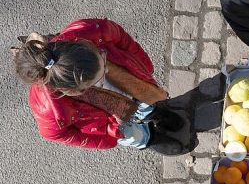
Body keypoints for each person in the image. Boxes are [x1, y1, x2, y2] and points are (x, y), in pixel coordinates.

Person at [12, 19, 193, 154]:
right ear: (78, 91)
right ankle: (149, 138)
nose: (106, 68)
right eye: (99, 78)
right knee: (131, 134)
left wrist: (144, 66)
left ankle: (155, 113)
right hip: (109, 122)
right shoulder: (49, 112)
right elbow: (58, 134)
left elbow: (119, 37)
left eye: (103, 60)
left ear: (85, 45)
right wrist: (108, 137)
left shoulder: (88, 31)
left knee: (146, 100)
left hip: (129, 86)